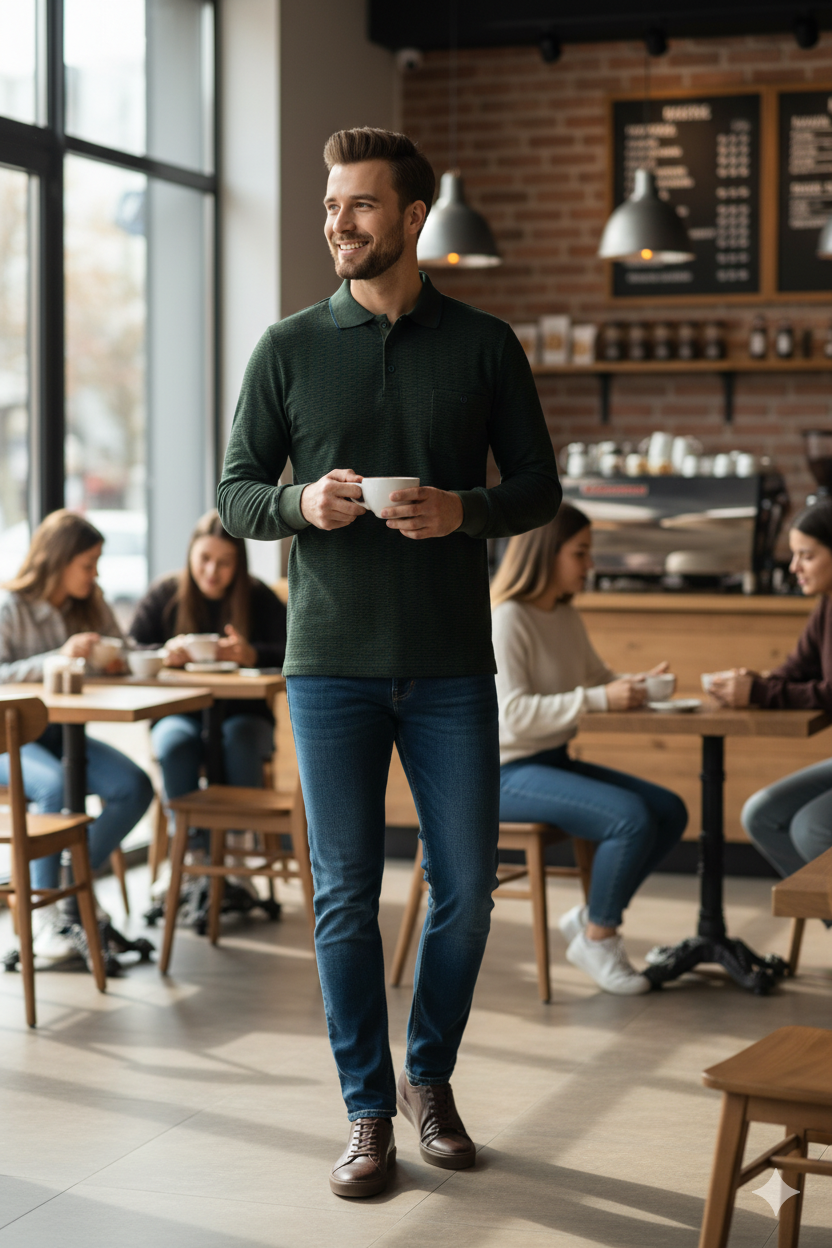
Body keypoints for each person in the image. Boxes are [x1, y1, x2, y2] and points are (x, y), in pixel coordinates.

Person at [218, 127, 560, 1197]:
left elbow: (540, 486)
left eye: (360, 205)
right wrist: (298, 505)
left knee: (467, 892)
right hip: (328, 666)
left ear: (413, 218)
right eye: (332, 205)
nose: (338, 222)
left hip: (451, 665)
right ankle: (367, 1110)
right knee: (343, 897)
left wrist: (466, 511)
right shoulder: (286, 347)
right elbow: (234, 492)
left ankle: (429, 1078)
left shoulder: (485, 344)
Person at [492, 504, 688, 995]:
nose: (590, 564)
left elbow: (598, 679)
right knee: (631, 818)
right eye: (580, 553)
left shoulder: (562, 614)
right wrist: (602, 697)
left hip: (551, 761)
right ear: (546, 553)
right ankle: (599, 936)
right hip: (504, 774)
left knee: (670, 809)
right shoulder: (508, 618)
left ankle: (591, 914)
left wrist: (637, 685)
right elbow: (512, 714)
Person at [0, 510, 154, 962]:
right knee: (52, 786)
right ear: (58, 560)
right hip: (8, 742)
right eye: (88, 564)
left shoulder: (90, 603)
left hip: (60, 737)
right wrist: (58, 656)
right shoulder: (10, 608)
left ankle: (72, 884)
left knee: (134, 787)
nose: (95, 574)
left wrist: (118, 657)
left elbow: (124, 650)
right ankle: (46, 918)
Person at [710, 499, 832, 883]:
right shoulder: (827, 604)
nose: (794, 567)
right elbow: (797, 670)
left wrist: (760, 693)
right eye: (794, 555)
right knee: (763, 815)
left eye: (806, 556)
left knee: (811, 827)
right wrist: (758, 683)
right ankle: (821, 911)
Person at [129, 509, 286, 803]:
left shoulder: (258, 596)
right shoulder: (165, 593)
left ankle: (241, 828)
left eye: (224, 563)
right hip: (175, 711)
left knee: (241, 741)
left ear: (239, 564)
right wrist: (163, 655)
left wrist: (253, 654)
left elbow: (292, 649)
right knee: (175, 744)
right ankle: (187, 830)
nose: (212, 571)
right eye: (204, 559)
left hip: (246, 713)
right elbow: (130, 648)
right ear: (190, 554)